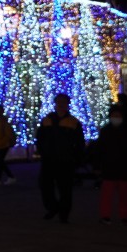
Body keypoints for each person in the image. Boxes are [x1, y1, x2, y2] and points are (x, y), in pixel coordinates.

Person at [35, 93, 85, 223]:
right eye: (59, 102)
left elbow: (80, 143)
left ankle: (64, 213)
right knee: (45, 185)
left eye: (63, 102)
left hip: (66, 161)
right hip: (49, 159)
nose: (61, 105)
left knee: (65, 189)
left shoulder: (73, 122)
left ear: (67, 104)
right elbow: (39, 138)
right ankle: (53, 207)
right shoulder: (47, 120)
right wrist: (42, 151)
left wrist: (77, 159)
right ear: (55, 103)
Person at [91, 103, 127, 225]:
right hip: (109, 167)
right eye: (114, 115)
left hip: (126, 167)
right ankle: (105, 216)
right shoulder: (106, 131)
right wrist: (97, 165)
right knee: (107, 194)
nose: (116, 118)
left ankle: (124, 216)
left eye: (118, 115)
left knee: (125, 194)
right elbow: (99, 149)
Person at [0, 104, 17, 185]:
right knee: (0, 162)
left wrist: (9, 141)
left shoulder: (3, 123)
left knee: (0, 161)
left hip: (3, 144)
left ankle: (4, 178)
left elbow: (9, 133)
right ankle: (1, 178)